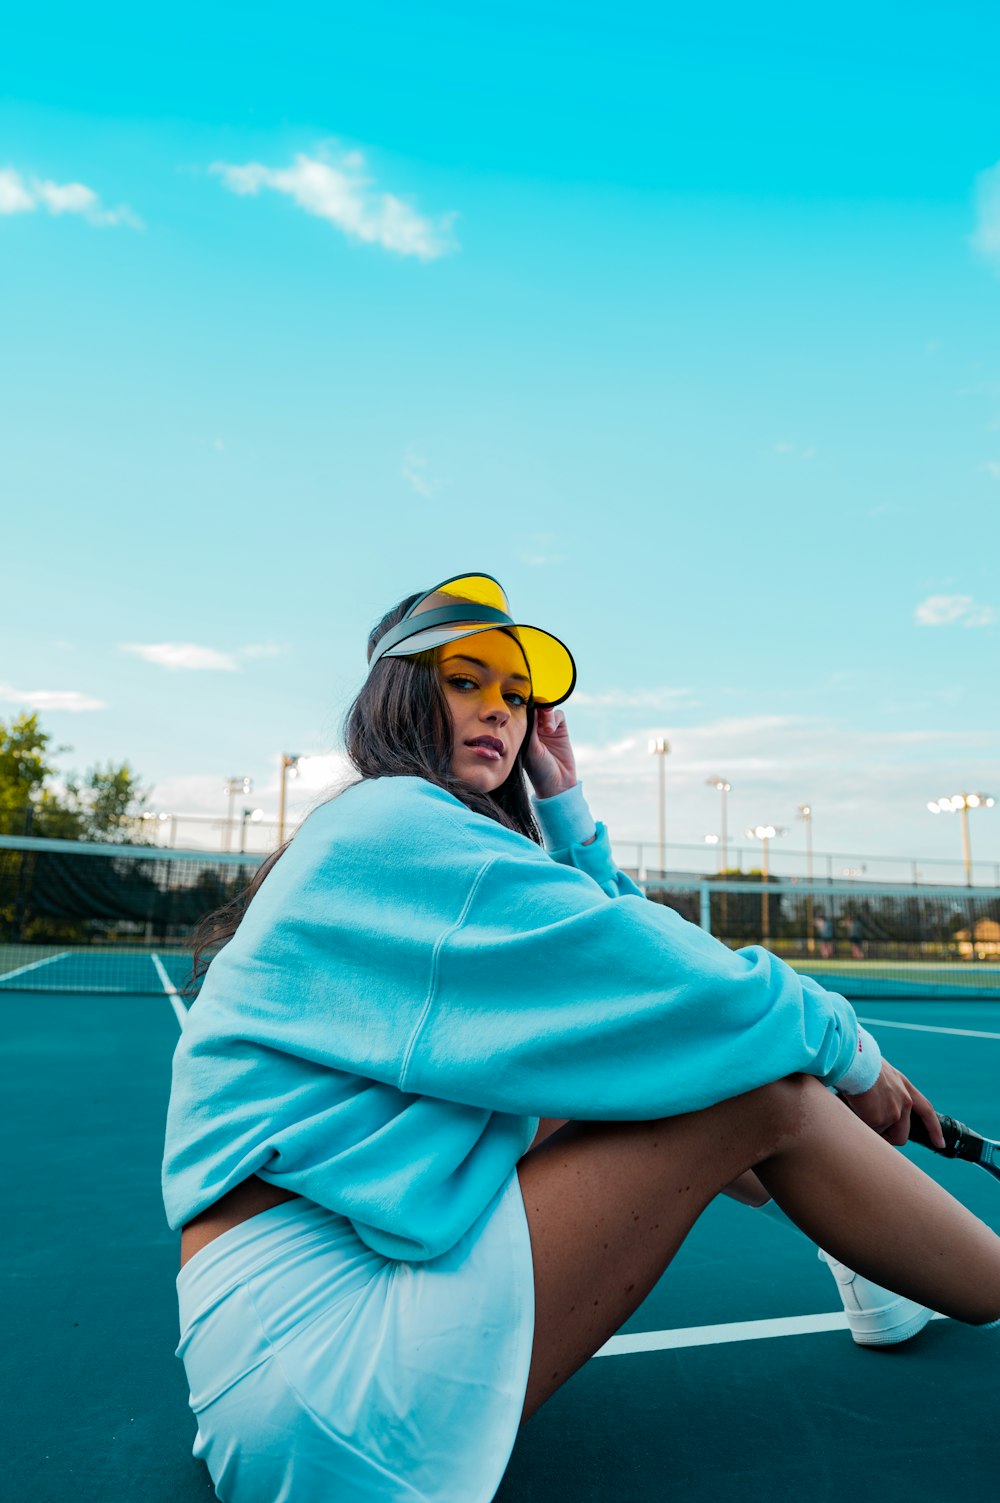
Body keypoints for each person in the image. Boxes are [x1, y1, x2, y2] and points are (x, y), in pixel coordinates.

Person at [162, 572, 1000, 1503]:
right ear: (397, 696)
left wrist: (564, 806)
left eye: (516, 695)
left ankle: (873, 1271)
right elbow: (680, 985)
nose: (500, 712)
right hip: (329, 1363)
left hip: (272, 1358)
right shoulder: (396, 823)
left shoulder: (386, 834)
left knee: (649, 1070)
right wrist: (857, 1059)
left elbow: (636, 998)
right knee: (770, 1091)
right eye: (464, 680)